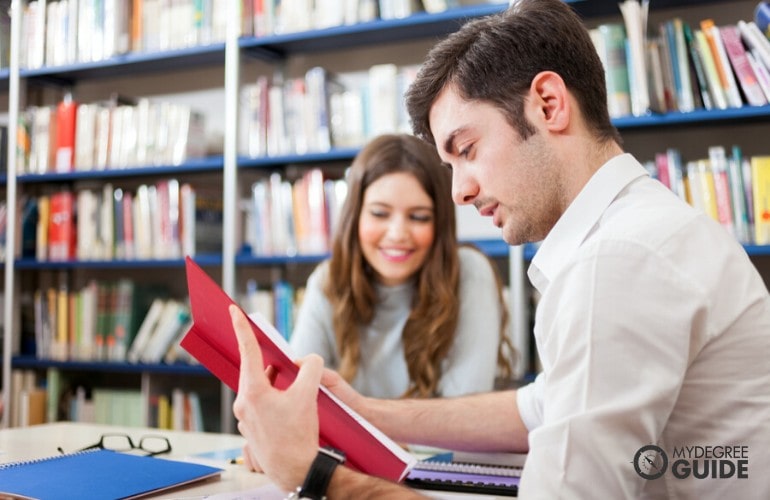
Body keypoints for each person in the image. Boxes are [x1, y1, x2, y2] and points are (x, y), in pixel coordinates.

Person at [231, 0, 770, 498]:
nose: (459, 191)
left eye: (467, 149)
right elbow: (539, 408)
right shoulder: (637, 230)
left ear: (549, 104)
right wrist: (366, 412)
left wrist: (312, 473)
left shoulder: (618, 261)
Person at [289, 133, 514, 399]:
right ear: (355, 218)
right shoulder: (328, 278)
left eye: (418, 217)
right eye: (379, 213)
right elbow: (299, 394)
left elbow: (463, 421)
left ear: (439, 225)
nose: (397, 234)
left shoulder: (469, 274)